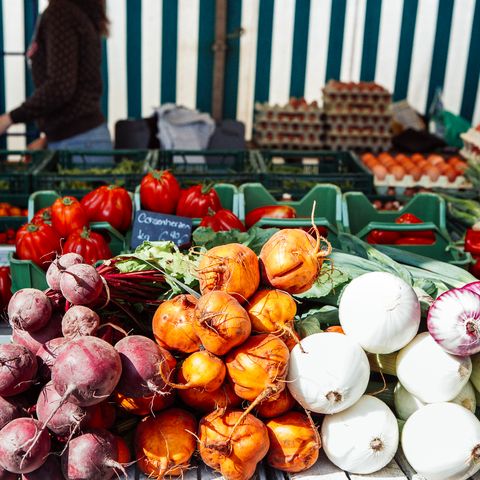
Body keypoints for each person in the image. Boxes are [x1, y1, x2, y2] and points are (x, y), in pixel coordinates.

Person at [0, 0, 112, 158]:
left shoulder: (61, 11)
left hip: (78, 144)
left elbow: (59, 87)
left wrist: (8, 119)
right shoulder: (75, 10)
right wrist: (49, 139)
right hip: (84, 140)